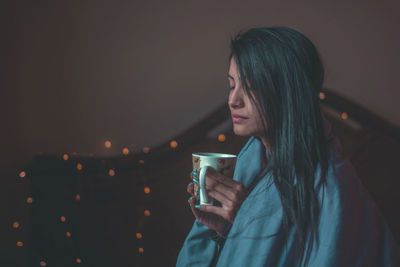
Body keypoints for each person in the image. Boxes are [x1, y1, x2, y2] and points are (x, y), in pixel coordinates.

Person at [176, 26, 400, 267]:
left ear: (290, 93)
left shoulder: (333, 188)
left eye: (251, 87)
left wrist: (248, 218)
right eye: (232, 85)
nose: (233, 100)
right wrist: (225, 230)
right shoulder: (253, 164)